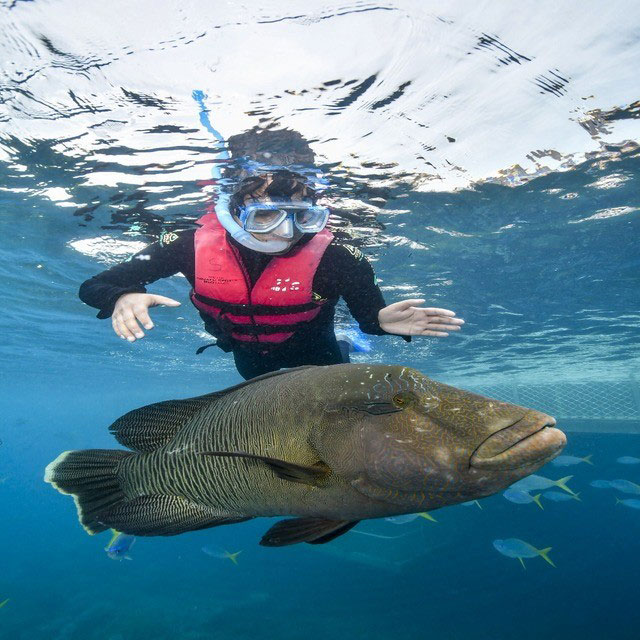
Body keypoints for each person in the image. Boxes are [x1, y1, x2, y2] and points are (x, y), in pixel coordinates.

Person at [79, 135, 464, 380]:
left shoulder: (339, 256)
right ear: (234, 209)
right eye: (266, 215)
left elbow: (372, 316)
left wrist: (379, 322)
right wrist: (122, 295)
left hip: (317, 347)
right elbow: (95, 284)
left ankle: (349, 344)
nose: (286, 232)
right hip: (247, 353)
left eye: (301, 217)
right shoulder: (187, 243)